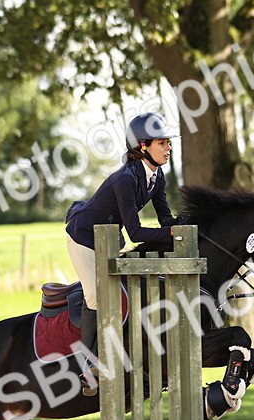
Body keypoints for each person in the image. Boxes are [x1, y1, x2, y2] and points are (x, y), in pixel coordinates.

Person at [65, 112, 177, 394]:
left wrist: (185, 228)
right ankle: (86, 367)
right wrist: (170, 233)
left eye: (168, 143)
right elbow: (136, 233)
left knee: (127, 292)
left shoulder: (157, 177)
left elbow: (166, 220)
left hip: (109, 241)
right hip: (83, 239)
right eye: (162, 143)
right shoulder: (125, 180)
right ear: (143, 146)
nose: (168, 148)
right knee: (95, 295)